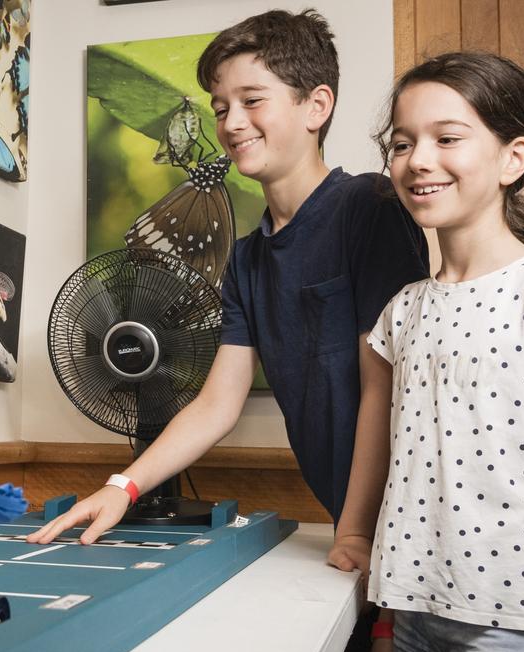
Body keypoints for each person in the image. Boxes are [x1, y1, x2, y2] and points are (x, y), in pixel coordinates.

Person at [27, 9, 428, 545]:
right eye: (221, 108)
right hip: (350, 526)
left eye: (252, 100)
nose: (231, 123)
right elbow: (217, 404)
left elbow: (388, 387)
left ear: (316, 105)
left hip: (410, 525)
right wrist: (122, 486)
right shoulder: (246, 258)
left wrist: (356, 530)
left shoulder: (368, 206)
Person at [328, 51, 524, 652]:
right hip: (414, 627)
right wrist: (384, 627)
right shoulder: (399, 314)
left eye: (447, 138)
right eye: (402, 143)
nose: (418, 159)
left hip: (513, 633)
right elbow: (390, 481)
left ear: (513, 158)